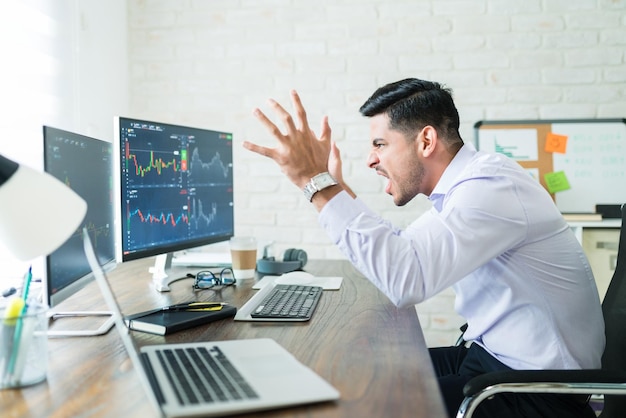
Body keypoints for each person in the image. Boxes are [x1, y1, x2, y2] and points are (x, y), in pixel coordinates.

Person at [243, 78, 604, 418]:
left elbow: (405, 278)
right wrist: (338, 192)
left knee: (366, 403)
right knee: (357, 375)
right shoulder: (468, 186)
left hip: (536, 393)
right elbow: (403, 251)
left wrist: (316, 184)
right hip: (491, 360)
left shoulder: (488, 188)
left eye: (380, 145)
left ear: (426, 141)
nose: (371, 159)